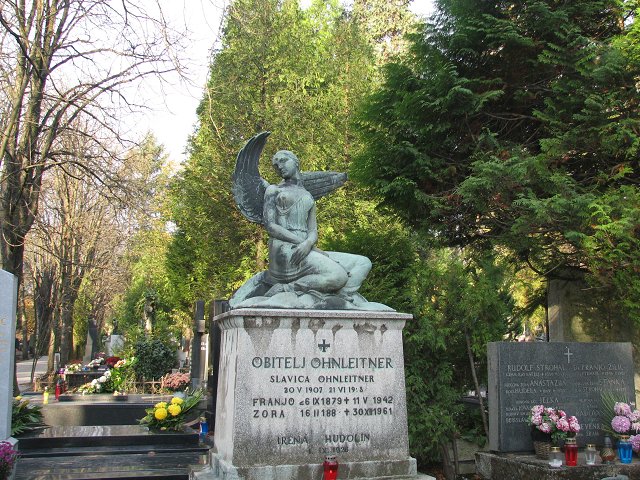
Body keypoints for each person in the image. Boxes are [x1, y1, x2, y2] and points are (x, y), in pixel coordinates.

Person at [262, 150, 371, 300]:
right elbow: (270, 226)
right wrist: (304, 244)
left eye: (283, 161)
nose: (279, 166)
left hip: (306, 248)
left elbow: (312, 230)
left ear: (296, 162)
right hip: (285, 252)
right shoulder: (274, 190)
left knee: (363, 262)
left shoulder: (307, 194)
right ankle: (287, 288)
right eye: (275, 165)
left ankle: (339, 294)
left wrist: (308, 244)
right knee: (338, 276)